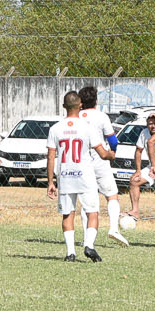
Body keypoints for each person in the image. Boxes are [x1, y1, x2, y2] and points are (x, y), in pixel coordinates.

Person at [46, 89, 108, 262]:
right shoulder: (87, 127)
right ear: (80, 105)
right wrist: (111, 155)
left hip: (65, 176)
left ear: (64, 106)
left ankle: (70, 253)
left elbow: (51, 156)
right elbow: (102, 153)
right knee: (92, 212)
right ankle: (89, 245)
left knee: (68, 214)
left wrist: (50, 182)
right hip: (85, 176)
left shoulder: (55, 128)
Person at [77, 84, 130, 246]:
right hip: (100, 161)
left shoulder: (76, 117)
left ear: (80, 102)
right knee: (111, 195)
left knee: (87, 201)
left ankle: (87, 236)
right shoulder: (101, 116)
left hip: (82, 163)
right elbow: (113, 140)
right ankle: (113, 229)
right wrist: (112, 153)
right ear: (96, 101)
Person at [128, 113, 155, 227]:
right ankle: (135, 211)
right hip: (151, 168)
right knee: (134, 181)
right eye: (150, 124)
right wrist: (138, 170)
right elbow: (138, 151)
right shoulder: (144, 133)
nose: (153, 126)